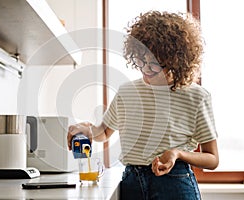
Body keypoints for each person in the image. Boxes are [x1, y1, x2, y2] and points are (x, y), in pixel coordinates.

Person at [67, 10, 219, 200]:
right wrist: (88, 130)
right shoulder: (126, 92)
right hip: (132, 183)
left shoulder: (197, 96)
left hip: (175, 183)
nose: (146, 68)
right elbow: (104, 132)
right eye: (141, 60)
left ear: (176, 61)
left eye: (155, 63)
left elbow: (212, 159)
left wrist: (177, 154)